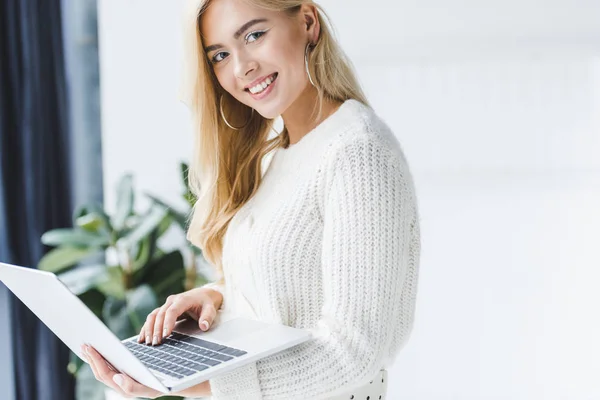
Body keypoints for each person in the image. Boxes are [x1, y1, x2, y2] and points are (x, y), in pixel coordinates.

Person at [81, 0, 421, 398]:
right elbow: (293, 295)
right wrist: (215, 298)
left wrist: (194, 384)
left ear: (308, 23)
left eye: (254, 35)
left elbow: (352, 353)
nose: (242, 67)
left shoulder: (358, 153)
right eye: (221, 55)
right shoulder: (278, 157)